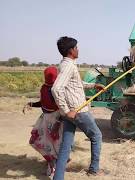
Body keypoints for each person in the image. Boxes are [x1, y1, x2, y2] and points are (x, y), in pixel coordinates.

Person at [51, 36, 106, 180]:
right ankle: (94, 170)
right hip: (78, 111)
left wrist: (93, 85)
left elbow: (76, 83)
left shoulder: (66, 65)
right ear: (71, 50)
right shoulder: (69, 66)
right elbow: (56, 89)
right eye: (76, 47)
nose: (78, 49)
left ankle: (58, 177)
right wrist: (66, 110)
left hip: (71, 113)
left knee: (66, 145)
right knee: (97, 136)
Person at [23, 66, 62, 176]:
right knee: (48, 144)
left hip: (55, 120)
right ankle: (52, 164)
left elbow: (62, 108)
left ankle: (54, 167)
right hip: (48, 119)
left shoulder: (56, 89)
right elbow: (42, 103)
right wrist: (31, 104)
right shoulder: (46, 88)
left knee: (52, 144)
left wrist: (58, 123)